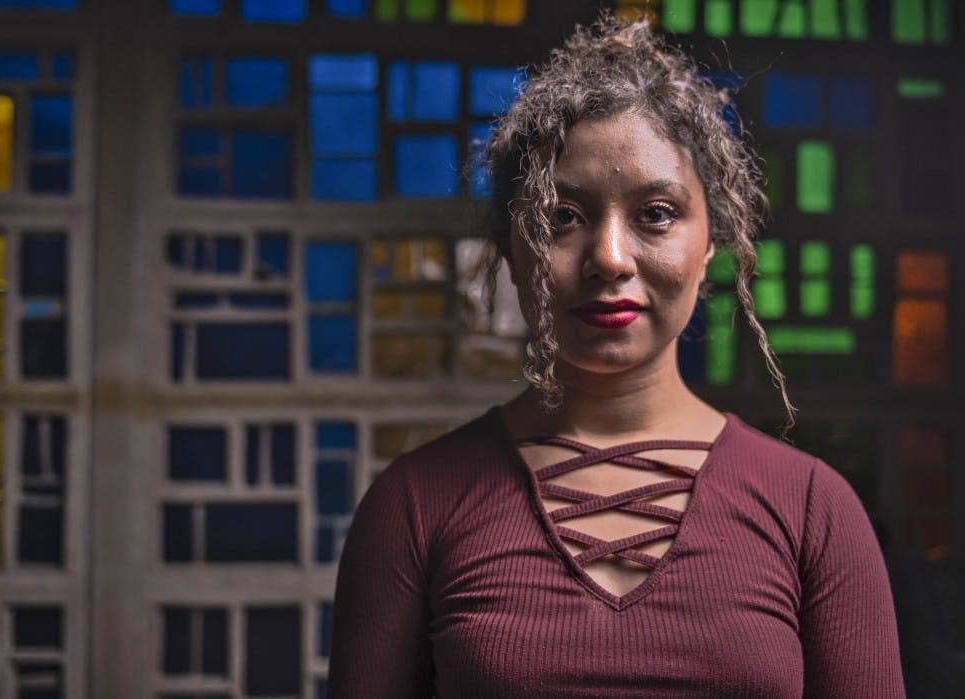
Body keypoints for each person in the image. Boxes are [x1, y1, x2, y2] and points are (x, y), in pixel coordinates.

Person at [326, 15, 904, 698]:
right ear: (511, 248)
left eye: (655, 213)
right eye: (561, 217)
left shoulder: (813, 512)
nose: (609, 257)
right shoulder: (414, 507)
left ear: (711, 240)